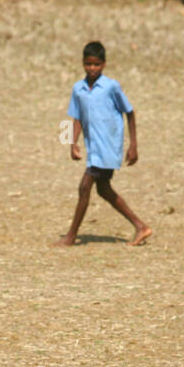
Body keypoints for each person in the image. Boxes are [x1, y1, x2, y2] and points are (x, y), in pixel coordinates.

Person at [54, 41, 152, 247]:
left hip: (108, 146)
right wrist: (73, 143)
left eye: (97, 65)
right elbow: (78, 116)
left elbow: (130, 112)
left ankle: (71, 236)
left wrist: (133, 145)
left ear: (104, 65)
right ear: (82, 63)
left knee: (84, 186)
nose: (92, 69)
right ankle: (141, 226)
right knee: (104, 189)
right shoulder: (78, 89)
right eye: (88, 64)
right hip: (94, 148)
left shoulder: (110, 87)